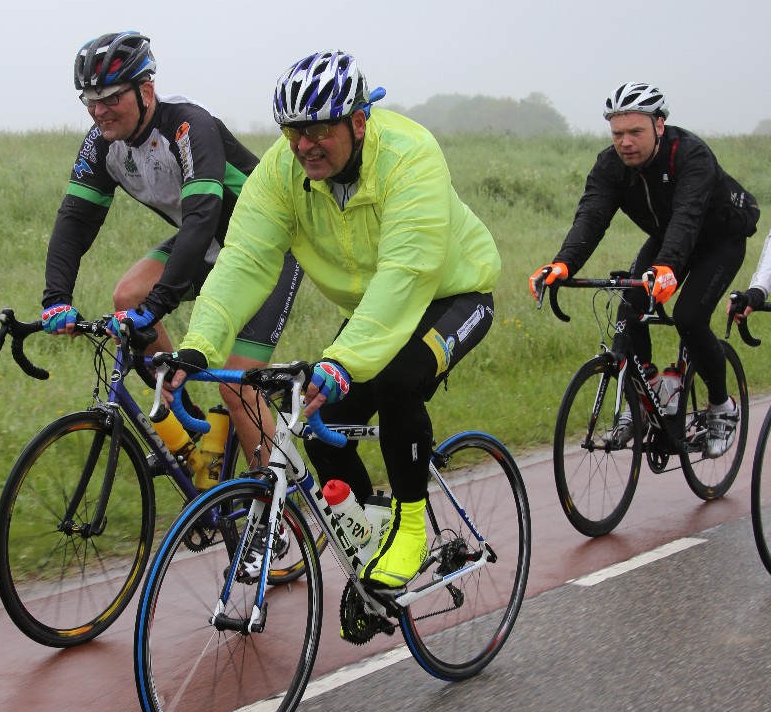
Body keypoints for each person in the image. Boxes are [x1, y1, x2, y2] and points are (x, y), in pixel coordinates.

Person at [163, 48, 501, 594]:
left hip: (453, 293)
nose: (304, 145)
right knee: (319, 426)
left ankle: (411, 529)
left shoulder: (409, 154)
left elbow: (407, 273)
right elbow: (244, 261)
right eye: (293, 132)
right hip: (375, 313)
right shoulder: (283, 171)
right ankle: (373, 539)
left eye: (319, 130)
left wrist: (343, 361)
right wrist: (199, 345)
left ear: (358, 122)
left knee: (395, 379)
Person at [41, 30, 302, 465]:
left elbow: (201, 217)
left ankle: (273, 499)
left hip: (267, 250)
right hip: (207, 243)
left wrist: (159, 303)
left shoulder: (188, 126)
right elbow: (75, 221)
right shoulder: (103, 143)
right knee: (128, 296)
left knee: (237, 385)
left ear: (146, 91)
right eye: (90, 100)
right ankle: (189, 433)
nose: (99, 111)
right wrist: (56, 298)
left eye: (111, 98)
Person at [529, 82, 759, 457]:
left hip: (719, 240)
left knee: (689, 317)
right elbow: (591, 216)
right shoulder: (610, 166)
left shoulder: (691, 155)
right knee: (630, 303)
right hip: (669, 237)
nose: (626, 142)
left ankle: (722, 406)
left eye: (635, 131)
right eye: (617, 133)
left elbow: (688, 216)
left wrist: (667, 267)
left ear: (659, 125)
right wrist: (563, 263)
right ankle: (648, 392)